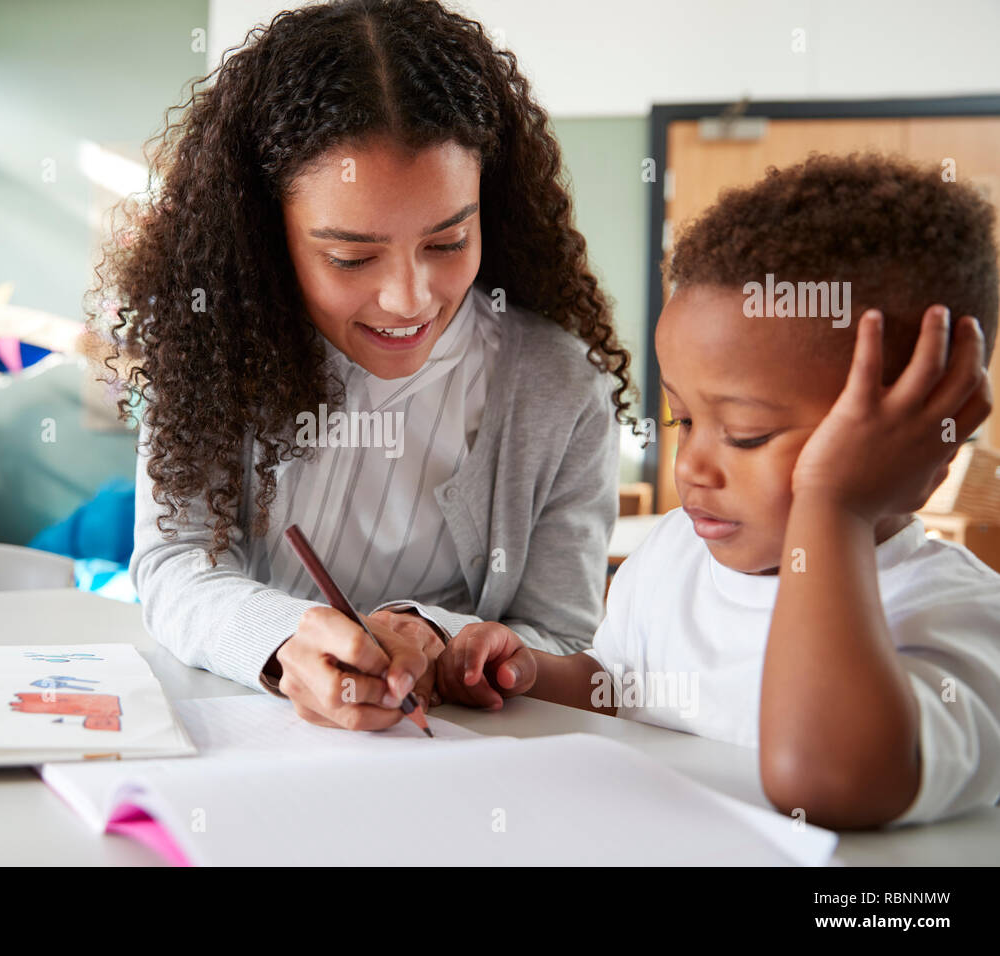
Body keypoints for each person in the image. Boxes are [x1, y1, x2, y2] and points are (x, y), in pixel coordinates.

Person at [85, 0, 634, 729]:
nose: (409, 299)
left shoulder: (560, 387)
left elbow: (562, 639)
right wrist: (283, 641)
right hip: (240, 744)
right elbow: (174, 563)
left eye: (447, 243)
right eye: (351, 256)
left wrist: (436, 637)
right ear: (267, 235)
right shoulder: (212, 354)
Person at [436, 153, 1000, 828]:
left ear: (921, 445)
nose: (692, 465)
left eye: (748, 435)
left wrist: (836, 509)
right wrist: (528, 672)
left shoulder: (958, 617)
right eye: (683, 418)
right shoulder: (677, 553)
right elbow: (618, 689)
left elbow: (827, 780)